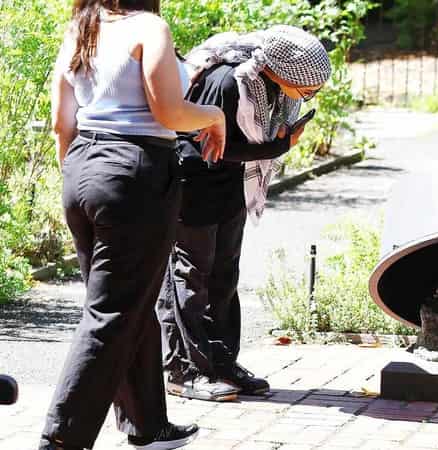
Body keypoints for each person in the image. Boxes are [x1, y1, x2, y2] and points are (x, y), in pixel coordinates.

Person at [44, 0, 226, 448]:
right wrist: (214, 116)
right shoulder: (149, 27)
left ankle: (147, 424)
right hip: (134, 171)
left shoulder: (80, 29)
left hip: (83, 167)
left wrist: (82, 175)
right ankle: (61, 439)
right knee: (110, 313)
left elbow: (60, 124)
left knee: (130, 300)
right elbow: (169, 111)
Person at [155, 26, 331, 402]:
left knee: (224, 275)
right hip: (195, 188)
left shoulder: (269, 87)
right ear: (285, 71)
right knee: (190, 277)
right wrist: (281, 144)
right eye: (309, 88)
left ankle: (221, 361)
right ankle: (185, 370)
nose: (309, 96)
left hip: (230, 188)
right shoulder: (230, 82)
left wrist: (277, 141)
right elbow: (212, 147)